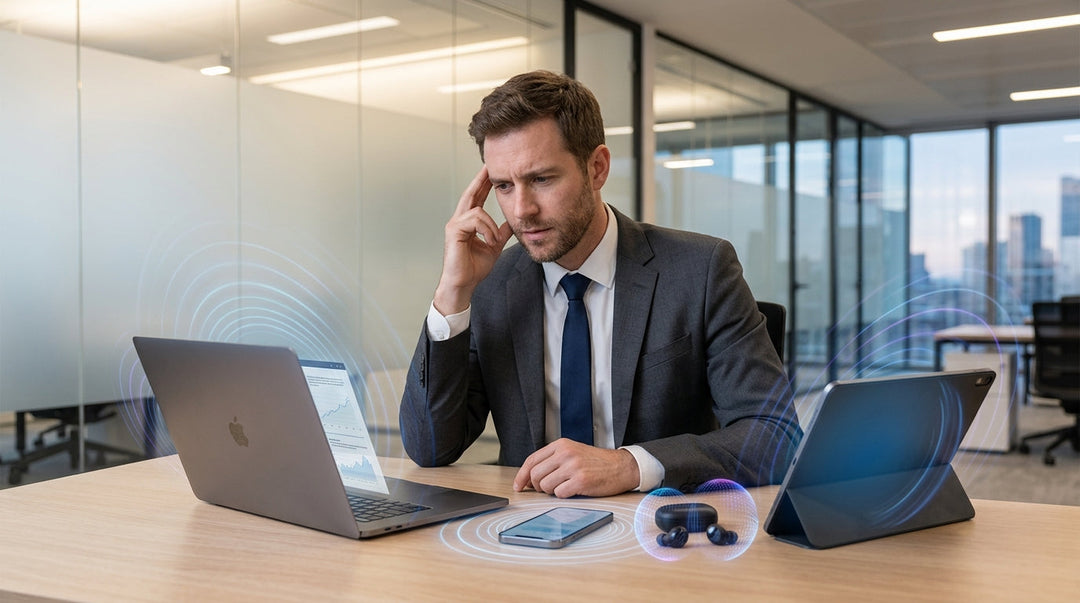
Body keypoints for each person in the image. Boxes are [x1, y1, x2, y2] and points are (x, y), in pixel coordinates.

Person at [399, 70, 801, 498]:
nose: (522, 210)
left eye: (541, 179)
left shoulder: (700, 270)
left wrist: (629, 465)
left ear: (597, 168)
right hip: (523, 538)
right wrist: (452, 293)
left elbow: (774, 435)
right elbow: (430, 448)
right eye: (503, 186)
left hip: (660, 535)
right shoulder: (493, 284)